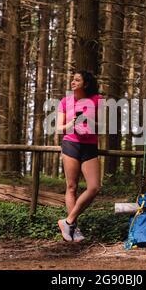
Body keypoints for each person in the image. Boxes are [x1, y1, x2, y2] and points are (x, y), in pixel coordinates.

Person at [56, 71, 103, 242]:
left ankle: (67, 221)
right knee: (71, 187)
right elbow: (59, 128)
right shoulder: (65, 101)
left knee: (94, 187)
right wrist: (72, 123)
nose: (73, 82)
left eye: (77, 80)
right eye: (72, 79)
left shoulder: (98, 99)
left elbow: (103, 125)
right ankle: (73, 230)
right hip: (71, 144)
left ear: (86, 83)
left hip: (89, 146)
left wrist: (89, 123)